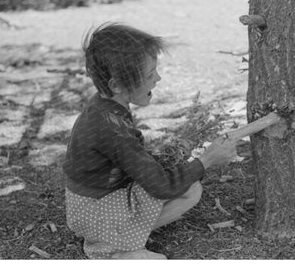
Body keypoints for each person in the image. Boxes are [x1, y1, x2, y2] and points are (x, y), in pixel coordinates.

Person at [63, 22, 237, 259]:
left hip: (89, 203)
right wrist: (207, 160)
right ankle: (115, 249)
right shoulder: (113, 129)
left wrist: (172, 156)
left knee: (189, 186)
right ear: (117, 85)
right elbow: (161, 186)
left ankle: (116, 234)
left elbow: (134, 162)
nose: (158, 78)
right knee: (190, 191)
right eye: (149, 74)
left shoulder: (104, 107)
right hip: (95, 211)